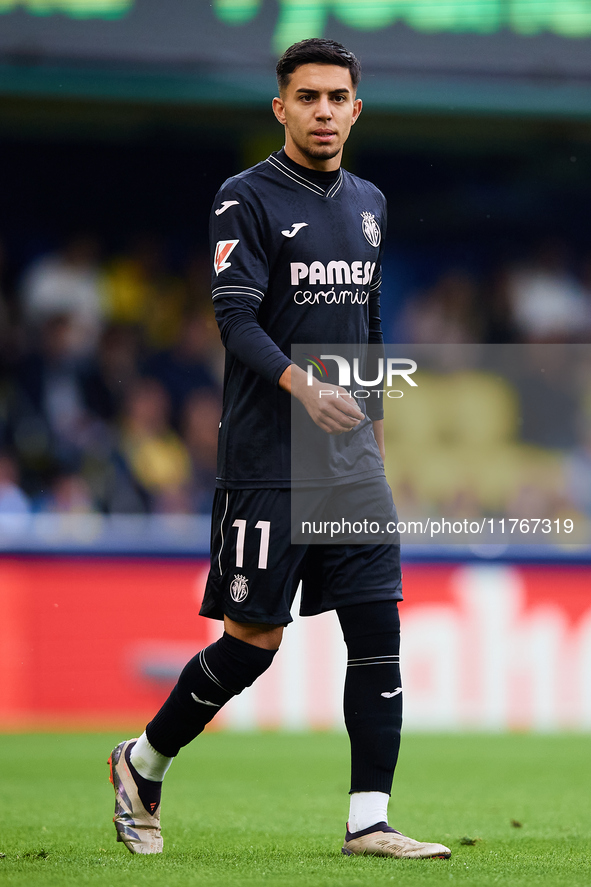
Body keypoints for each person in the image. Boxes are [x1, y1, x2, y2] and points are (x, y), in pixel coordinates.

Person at [108, 38, 451, 861]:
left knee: (377, 631)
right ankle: (141, 760)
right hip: (268, 457)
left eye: (337, 97)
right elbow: (235, 318)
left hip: (348, 466)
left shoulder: (368, 201)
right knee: (251, 642)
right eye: (308, 97)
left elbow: (364, 323)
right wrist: (304, 389)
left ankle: (368, 819)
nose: (324, 111)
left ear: (356, 108)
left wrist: (367, 426)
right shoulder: (246, 197)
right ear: (281, 108)